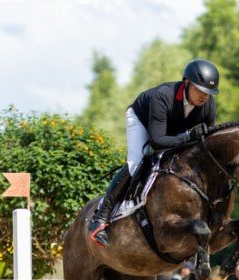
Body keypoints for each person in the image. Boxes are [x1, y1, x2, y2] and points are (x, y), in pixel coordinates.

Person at [88, 59, 220, 247]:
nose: (204, 96)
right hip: (141, 120)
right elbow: (157, 142)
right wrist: (189, 136)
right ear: (187, 83)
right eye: (200, 90)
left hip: (174, 128)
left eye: (208, 93)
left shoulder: (208, 106)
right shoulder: (162, 96)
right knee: (137, 161)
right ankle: (100, 217)